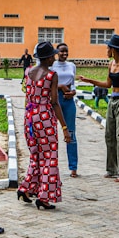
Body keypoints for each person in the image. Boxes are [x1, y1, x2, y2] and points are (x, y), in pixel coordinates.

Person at [17, 41, 72, 210]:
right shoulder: (51, 75)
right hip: (44, 118)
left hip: (29, 117)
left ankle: (26, 189)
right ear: (48, 58)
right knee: (49, 156)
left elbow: (27, 94)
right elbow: (55, 103)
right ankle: (44, 196)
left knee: (35, 155)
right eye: (53, 56)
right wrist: (64, 127)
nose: (54, 58)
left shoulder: (28, 71)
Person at [78, 34, 119, 182]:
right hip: (113, 100)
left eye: (108, 47)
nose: (106, 50)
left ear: (113, 49)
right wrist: (89, 80)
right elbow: (107, 84)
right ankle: (112, 169)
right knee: (109, 135)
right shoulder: (111, 64)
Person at [51, 43, 79, 177]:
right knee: (51, 132)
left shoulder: (72, 66)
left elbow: (73, 83)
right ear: (57, 52)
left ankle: (73, 167)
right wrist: (60, 86)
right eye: (62, 51)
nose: (64, 54)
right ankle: (51, 165)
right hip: (55, 99)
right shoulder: (52, 66)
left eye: (66, 51)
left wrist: (73, 92)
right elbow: (48, 84)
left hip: (68, 100)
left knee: (71, 133)